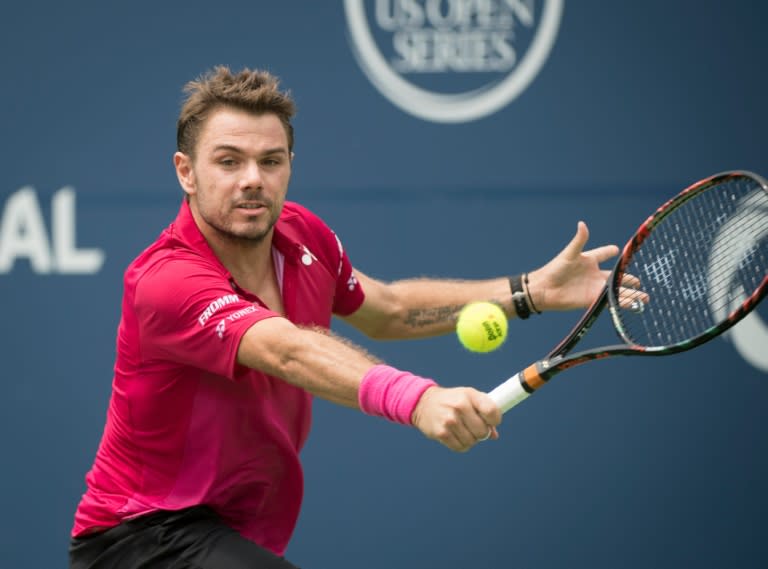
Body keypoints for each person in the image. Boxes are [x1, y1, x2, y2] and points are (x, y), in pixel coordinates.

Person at [69, 65, 620, 569]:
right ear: (186, 172)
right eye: (228, 161)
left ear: (289, 165)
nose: (252, 179)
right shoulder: (166, 279)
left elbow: (388, 311)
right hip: (139, 537)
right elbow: (287, 348)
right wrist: (420, 399)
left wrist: (528, 291)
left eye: (270, 160)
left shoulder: (305, 235)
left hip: (237, 531)